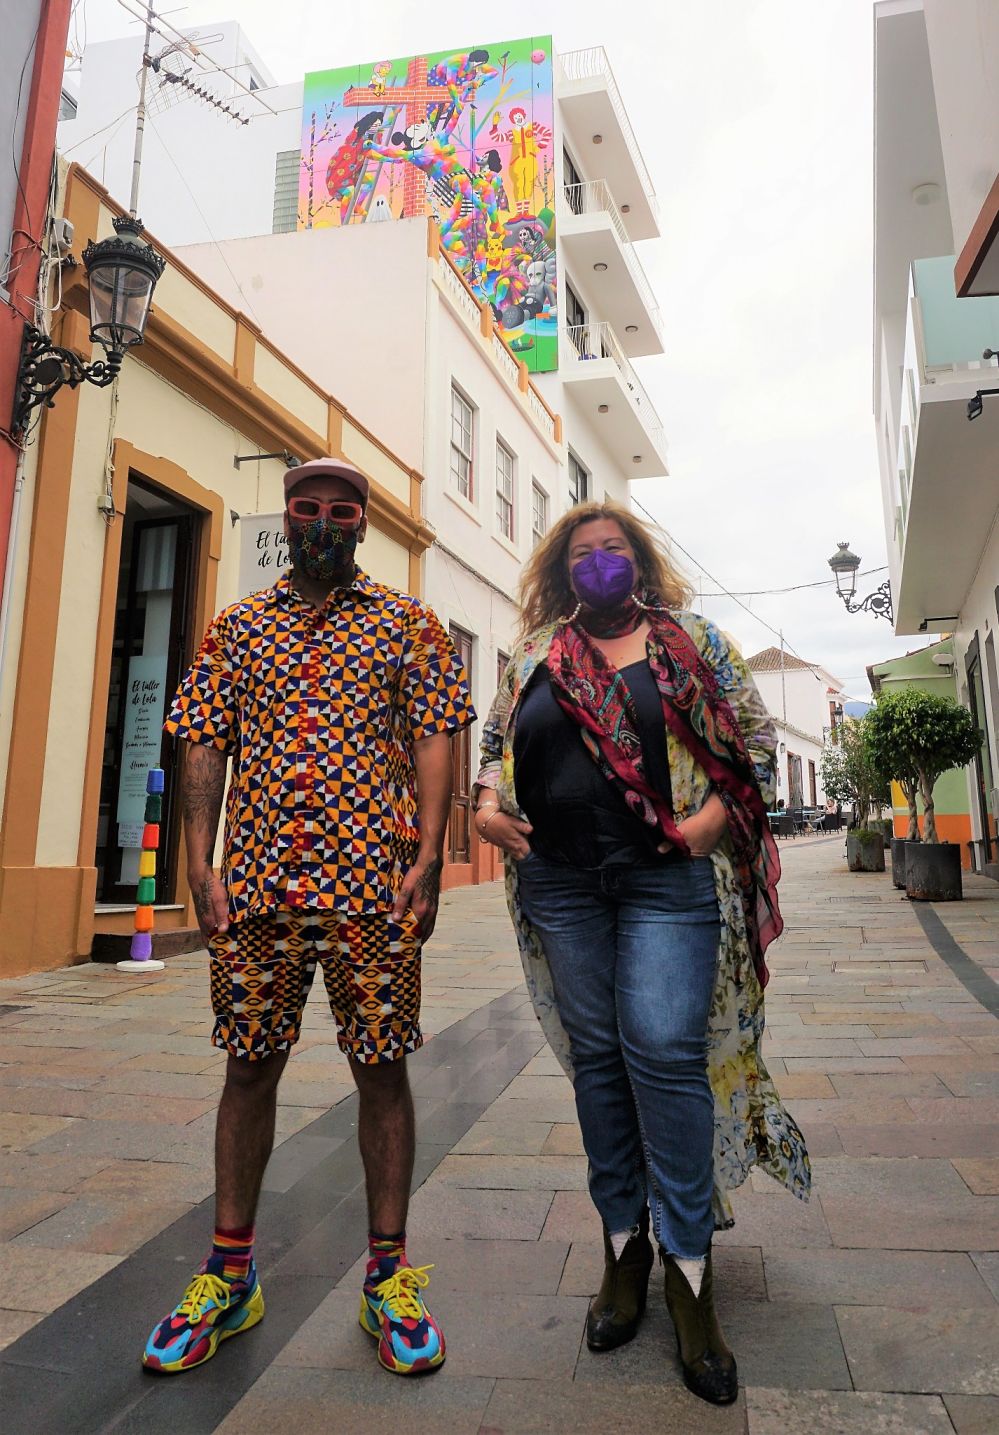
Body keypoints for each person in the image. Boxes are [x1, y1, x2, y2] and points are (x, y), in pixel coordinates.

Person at [143, 458, 474, 1378]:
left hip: (373, 886)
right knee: (248, 1067)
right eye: (307, 508)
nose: (323, 522)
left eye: (341, 511)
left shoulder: (405, 623)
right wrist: (196, 859)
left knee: (382, 1068)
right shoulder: (238, 627)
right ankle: (229, 1272)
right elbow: (205, 738)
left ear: (362, 524)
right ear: (285, 518)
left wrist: (429, 856)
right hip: (258, 891)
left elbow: (435, 731)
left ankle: (387, 1275)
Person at [473, 501, 810, 1406]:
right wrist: (485, 808)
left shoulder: (691, 641)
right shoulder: (534, 653)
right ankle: (624, 1247)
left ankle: (689, 1272)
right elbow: (495, 745)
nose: (597, 564)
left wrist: (706, 825)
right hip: (559, 884)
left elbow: (758, 748)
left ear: (638, 560)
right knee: (597, 1064)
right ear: (560, 569)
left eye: (611, 550)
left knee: (662, 1052)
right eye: (581, 554)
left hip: (667, 880)